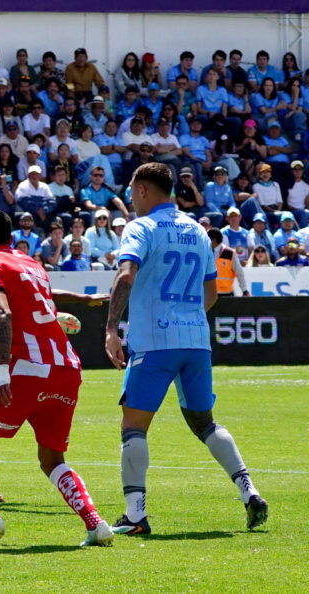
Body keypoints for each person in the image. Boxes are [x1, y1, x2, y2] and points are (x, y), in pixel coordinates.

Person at [105, 162, 267, 536]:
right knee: (204, 422)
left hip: (154, 342)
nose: (131, 198)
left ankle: (135, 515)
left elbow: (126, 274)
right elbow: (212, 293)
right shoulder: (197, 230)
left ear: (143, 190)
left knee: (133, 426)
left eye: (132, 191)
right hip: (196, 340)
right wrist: (188, 316)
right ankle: (249, 491)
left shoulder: (140, 227)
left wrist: (112, 328)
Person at [0, 208, 113, 546]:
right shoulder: (30, 263)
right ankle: (96, 524)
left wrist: (4, 371)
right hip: (67, 367)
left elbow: (2, 313)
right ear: (11, 237)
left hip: (26, 369)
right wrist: (83, 299)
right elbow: (45, 299)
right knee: (51, 458)